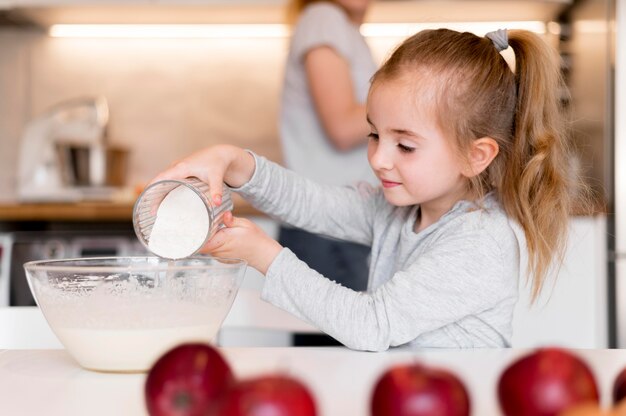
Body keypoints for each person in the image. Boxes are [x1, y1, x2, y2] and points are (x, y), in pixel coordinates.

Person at [152, 28, 584, 350]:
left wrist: (262, 254)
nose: (379, 158)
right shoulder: (399, 208)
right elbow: (314, 204)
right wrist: (233, 161)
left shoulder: (479, 241)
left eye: (406, 145)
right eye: (374, 135)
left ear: (477, 155)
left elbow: (370, 324)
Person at [278, 0, 377, 293]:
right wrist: (415, 100)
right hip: (326, 229)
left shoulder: (341, 28)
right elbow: (342, 128)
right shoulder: (323, 18)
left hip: (332, 226)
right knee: (334, 339)